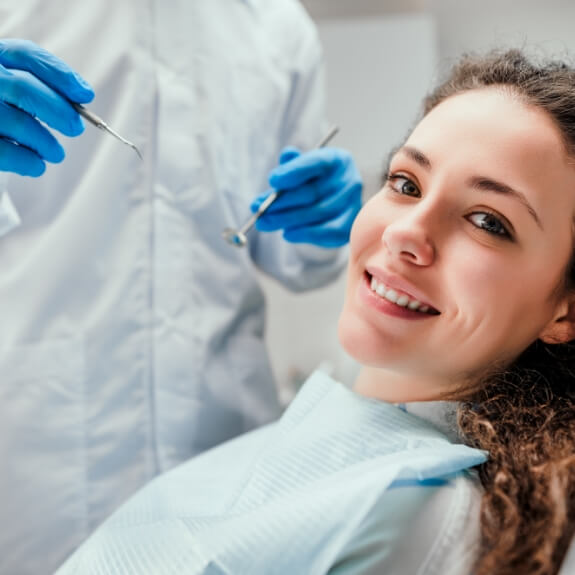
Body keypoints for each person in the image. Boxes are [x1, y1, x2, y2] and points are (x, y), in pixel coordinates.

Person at [52, 48, 575, 575]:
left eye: (488, 221)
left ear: (565, 311)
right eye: (405, 184)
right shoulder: (337, 453)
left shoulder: (408, 512)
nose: (404, 232)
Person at [0, 2, 362, 574]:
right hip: (35, 461)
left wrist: (321, 219)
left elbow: (296, 258)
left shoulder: (278, 24)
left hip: (224, 439)